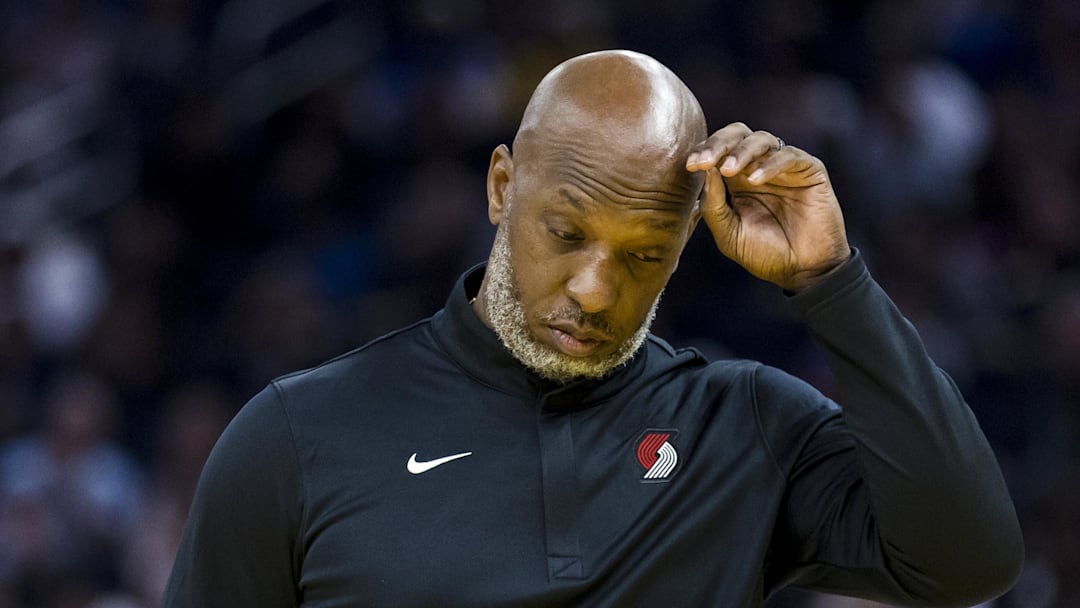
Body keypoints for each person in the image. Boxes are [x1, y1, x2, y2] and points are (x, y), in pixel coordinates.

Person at [163, 50, 1023, 607]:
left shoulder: (745, 425)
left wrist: (833, 285)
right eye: (566, 234)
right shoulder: (296, 437)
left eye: (644, 254)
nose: (596, 289)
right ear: (503, 187)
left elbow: (968, 558)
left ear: (689, 242)